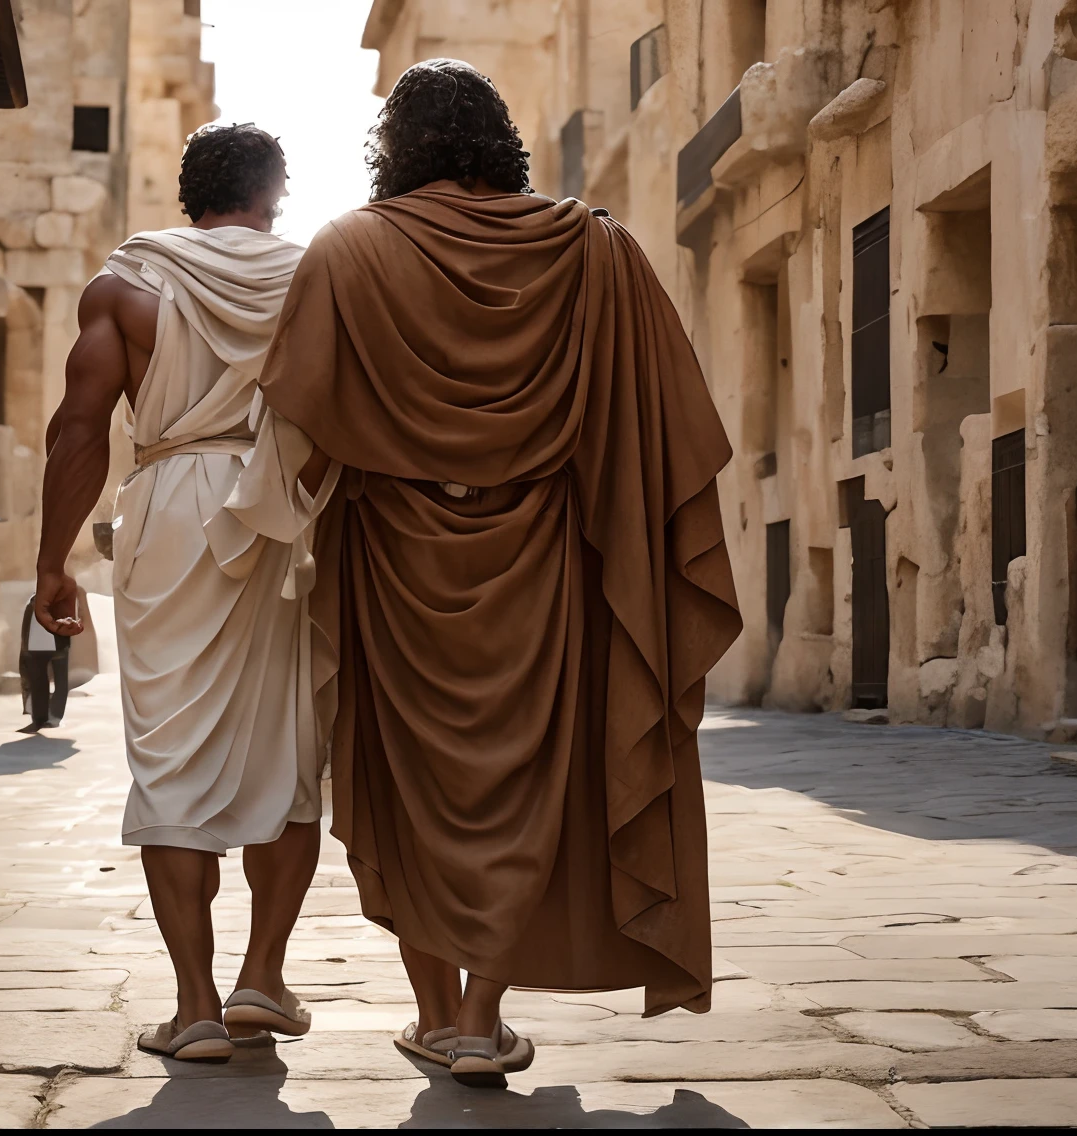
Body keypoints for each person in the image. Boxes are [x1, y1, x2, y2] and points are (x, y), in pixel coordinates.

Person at [251, 59, 740, 1089]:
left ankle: (437, 1014)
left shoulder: (346, 250)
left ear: (398, 144)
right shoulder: (595, 251)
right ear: (499, 139)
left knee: (402, 788)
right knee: (534, 788)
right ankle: (477, 1016)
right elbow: (658, 430)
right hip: (546, 569)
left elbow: (292, 436)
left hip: (390, 566)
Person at [33, 123, 335, 1066]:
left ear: (188, 192)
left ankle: (196, 1003)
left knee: (171, 762)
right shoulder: (317, 278)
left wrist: (54, 562)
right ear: (274, 191)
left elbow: (80, 428)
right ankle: (264, 977)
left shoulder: (127, 286)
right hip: (282, 514)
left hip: (169, 514)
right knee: (287, 755)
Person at [17, 591, 70, 733]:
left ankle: (54, 717)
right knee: (38, 681)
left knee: (60, 680)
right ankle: (39, 720)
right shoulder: (33, 600)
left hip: (58, 640)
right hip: (37, 643)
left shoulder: (65, 591)